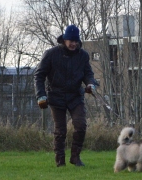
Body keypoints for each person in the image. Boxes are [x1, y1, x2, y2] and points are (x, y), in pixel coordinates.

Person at [34, 25, 99, 167]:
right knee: (60, 130)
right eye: (70, 40)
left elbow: (88, 74)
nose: (73, 44)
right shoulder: (51, 54)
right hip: (56, 96)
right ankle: (60, 160)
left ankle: (75, 157)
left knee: (81, 126)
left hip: (75, 96)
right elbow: (39, 76)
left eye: (76, 41)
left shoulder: (83, 56)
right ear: (64, 39)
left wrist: (90, 84)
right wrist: (41, 95)